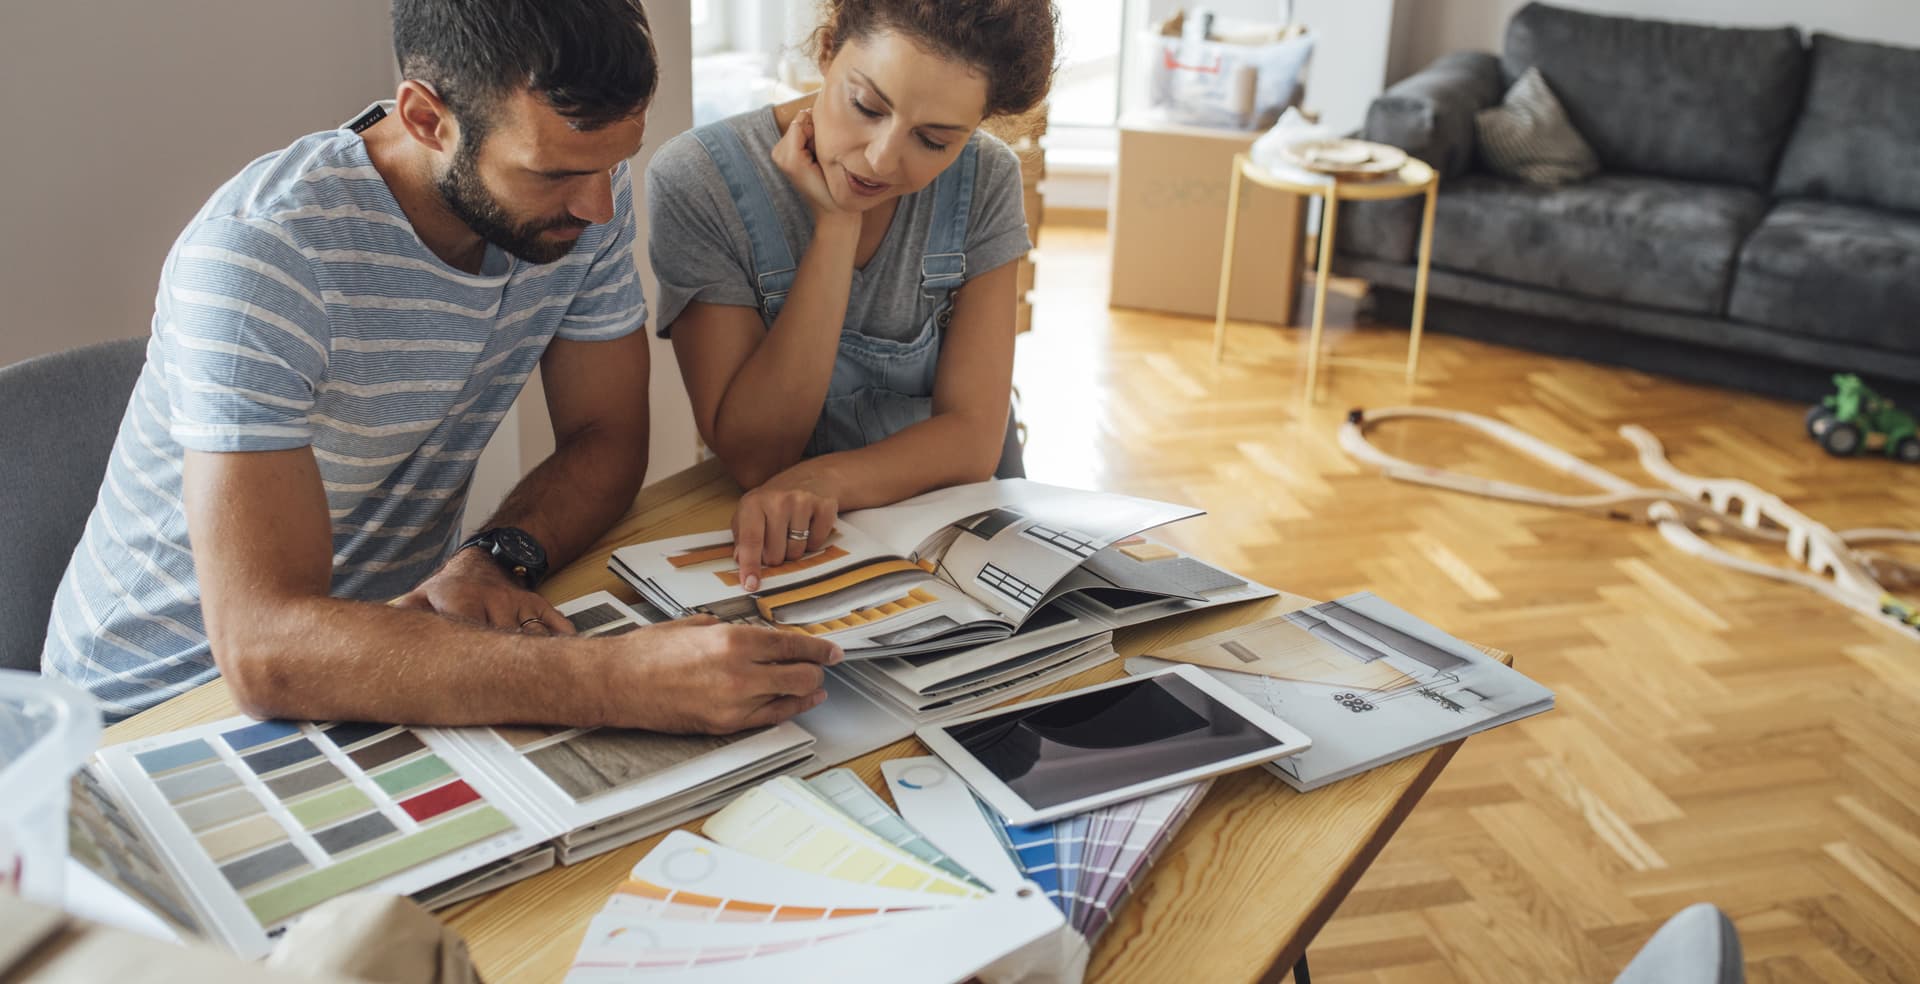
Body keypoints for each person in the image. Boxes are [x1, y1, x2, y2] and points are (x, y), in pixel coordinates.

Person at [41, 0, 838, 730]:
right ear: (427, 117)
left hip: (404, 652)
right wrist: (611, 681)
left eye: (613, 163)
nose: (599, 208)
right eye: (555, 173)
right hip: (152, 713)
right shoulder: (263, 257)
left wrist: (494, 559)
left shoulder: (584, 195)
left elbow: (607, 436)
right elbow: (262, 649)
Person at [647, 0, 1058, 591]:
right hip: (789, 554)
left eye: (934, 140)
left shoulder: (986, 179)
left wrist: (825, 482)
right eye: (866, 106)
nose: (880, 158)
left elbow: (972, 439)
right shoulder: (698, 180)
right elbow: (758, 458)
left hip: (962, 539)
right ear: (828, 48)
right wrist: (835, 228)